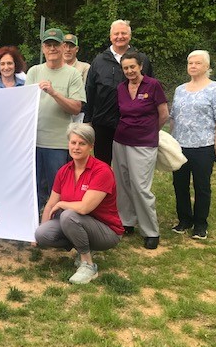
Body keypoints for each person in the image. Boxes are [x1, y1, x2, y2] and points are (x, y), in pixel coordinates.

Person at [35, 123, 124, 284]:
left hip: (107, 231)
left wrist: (62, 204)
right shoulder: (64, 171)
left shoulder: (102, 171)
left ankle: (88, 264)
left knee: (69, 215)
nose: (76, 147)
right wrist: (40, 229)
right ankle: (81, 244)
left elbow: (84, 208)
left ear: (91, 146)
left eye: (82, 143)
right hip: (77, 224)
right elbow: (50, 205)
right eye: (73, 142)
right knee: (42, 234)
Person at [112, 51, 168, 249]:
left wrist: (150, 131)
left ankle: (151, 230)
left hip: (144, 143)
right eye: (125, 68)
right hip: (120, 141)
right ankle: (126, 221)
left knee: (140, 186)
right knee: (122, 183)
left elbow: (163, 114)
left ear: (141, 66)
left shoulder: (153, 85)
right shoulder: (121, 88)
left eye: (132, 67)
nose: (129, 71)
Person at [170, 50, 216, 240]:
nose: (193, 66)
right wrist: (171, 140)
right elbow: (173, 118)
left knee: (202, 186)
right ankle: (184, 220)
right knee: (180, 185)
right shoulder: (180, 89)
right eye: (190, 63)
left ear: (206, 67)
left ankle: (200, 224)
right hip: (180, 145)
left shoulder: (215, 89)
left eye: (197, 63)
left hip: (203, 146)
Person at [26, 28, 86, 211]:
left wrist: (54, 93)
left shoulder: (73, 74)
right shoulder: (34, 71)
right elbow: (24, 105)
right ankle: (33, 226)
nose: (52, 48)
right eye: (48, 45)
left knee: (57, 187)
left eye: (56, 45)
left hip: (58, 143)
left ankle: (57, 224)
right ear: (43, 48)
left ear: (63, 47)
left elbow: (76, 107)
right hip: (33, 142)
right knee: (33, 187)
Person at [84, 20, 154, 165]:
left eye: (123, 33)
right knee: (103, 166)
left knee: (131, 166)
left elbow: (150, 90)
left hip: (133, 124)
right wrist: (88, 120)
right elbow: (90, 91)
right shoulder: (99, 61)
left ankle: (128, 189)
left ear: (130, 36)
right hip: (103, 125)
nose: (120, 36)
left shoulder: (142, 60)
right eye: (116, 33)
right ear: (110, 37)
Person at [62, 33, 91, 123]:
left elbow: (86, 92)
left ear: (77, 49)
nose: (67, 49)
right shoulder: (53, 68)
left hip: (78, 115)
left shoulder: (85, 68)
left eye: (71, 46)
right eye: (65, 46)